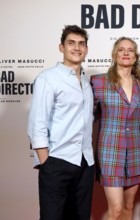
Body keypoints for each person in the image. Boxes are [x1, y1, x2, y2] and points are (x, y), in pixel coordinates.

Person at [27, 25, 94, 220]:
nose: (77, 48)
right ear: (61, 47)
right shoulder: (48, 78)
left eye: (81, 44)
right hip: (57, 161)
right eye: (71, 43)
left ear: (86, 49)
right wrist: (46, 163)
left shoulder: (85, 80)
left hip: (85, 162)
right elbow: (37, 124)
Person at [90, 37, 140, 220]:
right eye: (121, 50)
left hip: (136, 151)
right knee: (115, 209)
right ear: (114, 55)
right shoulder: (98, 82)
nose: (126, 53)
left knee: (129, 206)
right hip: (111, 151)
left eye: (130, 50)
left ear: (135, 57)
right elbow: (87, 116)